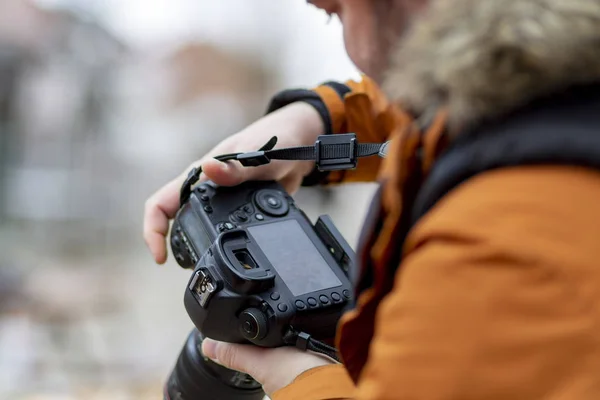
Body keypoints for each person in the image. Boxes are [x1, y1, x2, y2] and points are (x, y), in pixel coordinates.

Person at [144, 0, 600, 398]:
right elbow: (465, 95)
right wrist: (318, 119)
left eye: (335, 13)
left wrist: (304, 383)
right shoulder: (558, 87)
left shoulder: (494, 248)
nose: (348, 47)